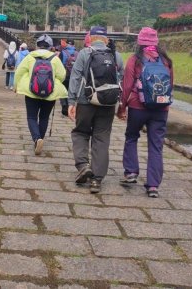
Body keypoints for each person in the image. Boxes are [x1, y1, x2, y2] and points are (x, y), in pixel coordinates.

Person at [116, 27, 173, 198]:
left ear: (139, 42)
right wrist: (166, 106)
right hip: (161, 109)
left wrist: (122, 107)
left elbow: (126, 86)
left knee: (132, 137)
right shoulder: (166, 61)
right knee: (156, 145)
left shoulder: (135, 59)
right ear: (156, 42)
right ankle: (153, 186)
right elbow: (171, 84)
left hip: (137, 107)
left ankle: (131, 172)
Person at [67, 26, 124, 193]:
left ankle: (83, 165)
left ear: (90, 38)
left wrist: (71, 101)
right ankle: (96, 180)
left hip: (86, 101)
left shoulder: (85, 53)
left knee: (80, 132)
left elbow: (75, 77)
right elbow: (122, 79)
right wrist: (120, 104)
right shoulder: (116, 55)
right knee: (102, 137)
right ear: (106, 39)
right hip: (108, 103)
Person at [15, 34, 67, 155]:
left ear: (37, 45)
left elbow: (19, 72)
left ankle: (36, 138)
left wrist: (16, 86)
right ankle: (40, 139)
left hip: (31, 92)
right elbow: (62, 75)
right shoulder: (55, 58)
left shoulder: (29, 57)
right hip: (50, 93)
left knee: (32, 117)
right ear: (50, 47)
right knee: (44, 117)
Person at [59, 39, 77, 116]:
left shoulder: (62, 52)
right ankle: (70, 107)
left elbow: (59, 65)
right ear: (74, 44)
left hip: (64, 75)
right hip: (74, 76)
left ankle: (64, 107)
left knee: (63, 91)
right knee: (71, 92)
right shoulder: (78, 53)